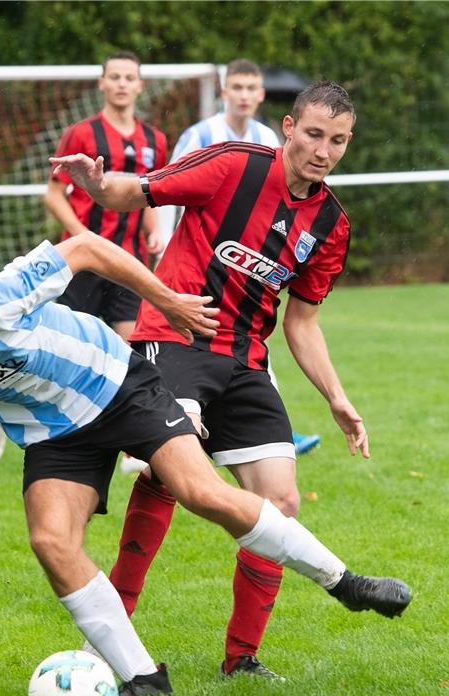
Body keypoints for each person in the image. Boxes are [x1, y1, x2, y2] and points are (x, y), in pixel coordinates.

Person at [0, 229, 411, 696]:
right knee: (50, 539)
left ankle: (345, 583)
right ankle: (144, 678)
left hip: (117, 382)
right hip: (54, 429)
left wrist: (166, 301)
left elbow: (88, 248)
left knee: (200, 492)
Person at [51, 81, 377, 682]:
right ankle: (113, 635)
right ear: (287, 126)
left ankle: (242, 661)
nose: (323, 151)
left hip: (246, 360)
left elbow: (302, 323)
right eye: (313, 134)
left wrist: (336, 397)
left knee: (281, 500)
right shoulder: (232, 164)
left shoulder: (330, 223)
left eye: (338, 141)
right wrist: (99, 187)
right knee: (176, 470)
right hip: (174, 336)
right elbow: (141, 192)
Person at [0, 50, 168, 470]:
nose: (121, 83)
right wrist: (84, 240)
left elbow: (151, 194)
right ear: (102, 84)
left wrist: (154, 229)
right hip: (79, 265)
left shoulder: (154, 141)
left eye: (129, 77)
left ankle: (130, 446)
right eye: (114, 76)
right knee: (49, 348)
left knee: (127, 351)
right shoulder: (81, 134)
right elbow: (53, 194)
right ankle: (5, 409)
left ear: (140, 85)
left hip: (127, 263)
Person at [161, 58, 321, 458]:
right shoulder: (200, 134)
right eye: (238, 87)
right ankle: (160, 428)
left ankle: (270, 428)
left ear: (261, 94)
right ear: (224, 91)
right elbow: (167, 187)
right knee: (185, 345)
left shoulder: (267, 135)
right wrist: (161, 241)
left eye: (252, 88)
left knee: (248, 343)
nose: (245, 95)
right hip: (198, 263)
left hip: (247, 265)